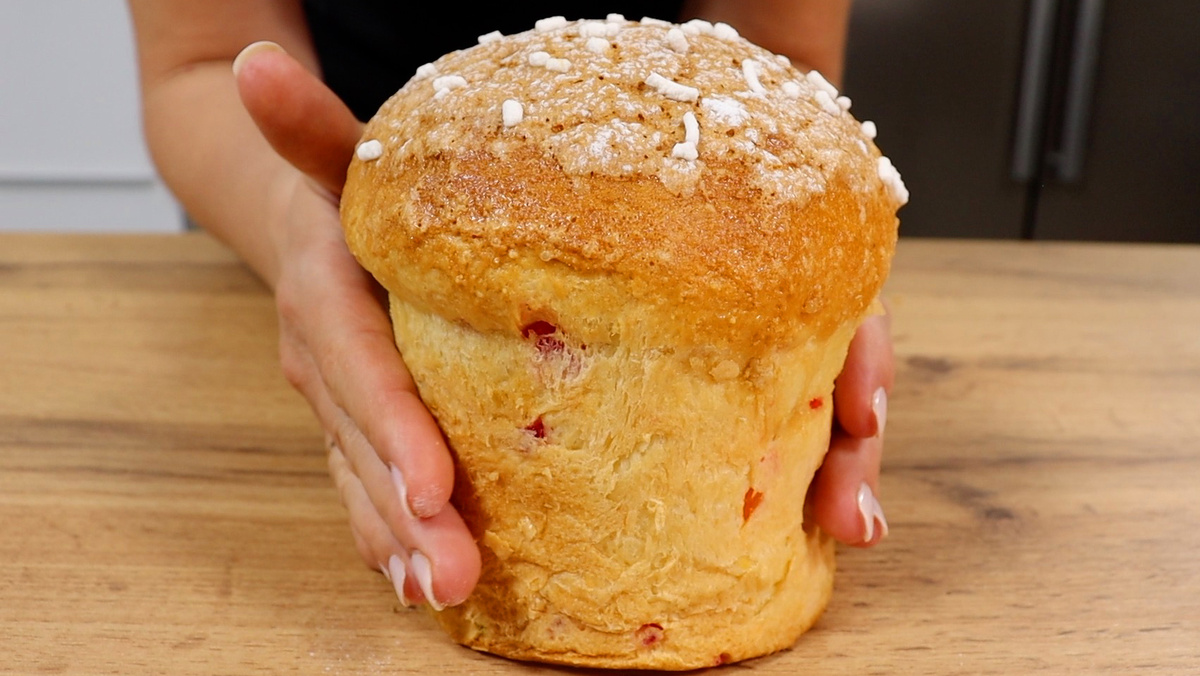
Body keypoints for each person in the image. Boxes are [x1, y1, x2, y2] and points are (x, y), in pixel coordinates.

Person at [126, 0, 894, 609]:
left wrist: (812, 266)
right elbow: (198, 60)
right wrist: (290, 222)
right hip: (385, 191)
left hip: (714, 176)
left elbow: (781, 61)